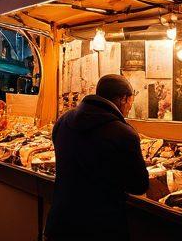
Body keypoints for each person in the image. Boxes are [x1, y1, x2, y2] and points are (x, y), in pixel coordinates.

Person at [45, 74, 149, 240]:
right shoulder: (124, 133)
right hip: (101, 228)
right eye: (131, 101)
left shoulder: (63, 121)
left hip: (60, 223)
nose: (130, 107)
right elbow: (139, 185)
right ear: (123, 99)